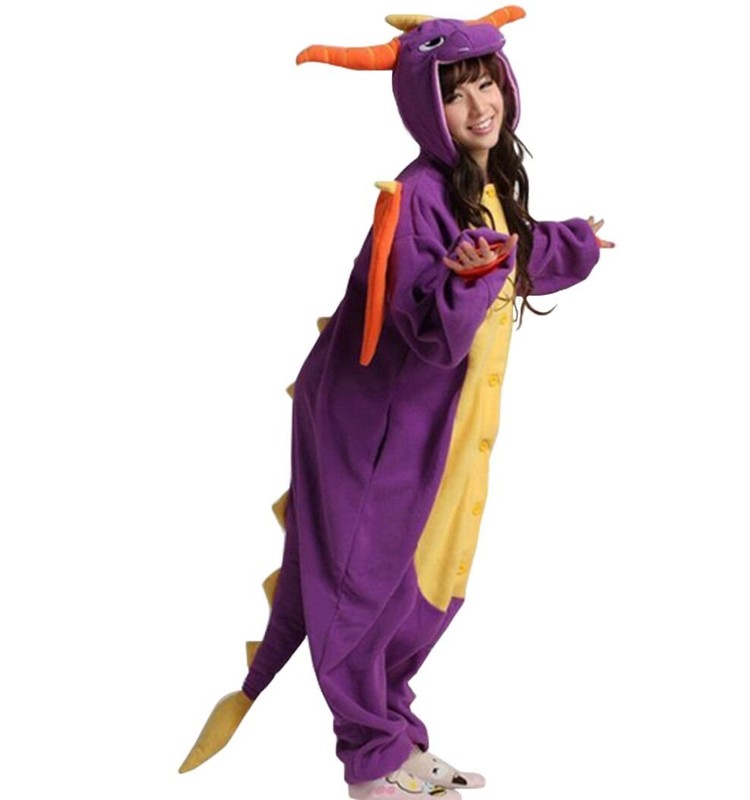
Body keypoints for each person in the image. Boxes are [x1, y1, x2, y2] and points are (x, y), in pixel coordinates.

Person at [178, 7, 613, 800]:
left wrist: (574, 240)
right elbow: (432, 328)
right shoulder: (414, 196)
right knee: (363, 582)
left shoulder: (480, 184)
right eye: (455, 93)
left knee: (430, 579)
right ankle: (369, 762)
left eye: (486, 84)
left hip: (440, 426)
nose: (479, 107)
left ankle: (395, 738)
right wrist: (466, 277)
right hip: (369, 423)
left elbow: (509, 253)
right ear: (423, 107)